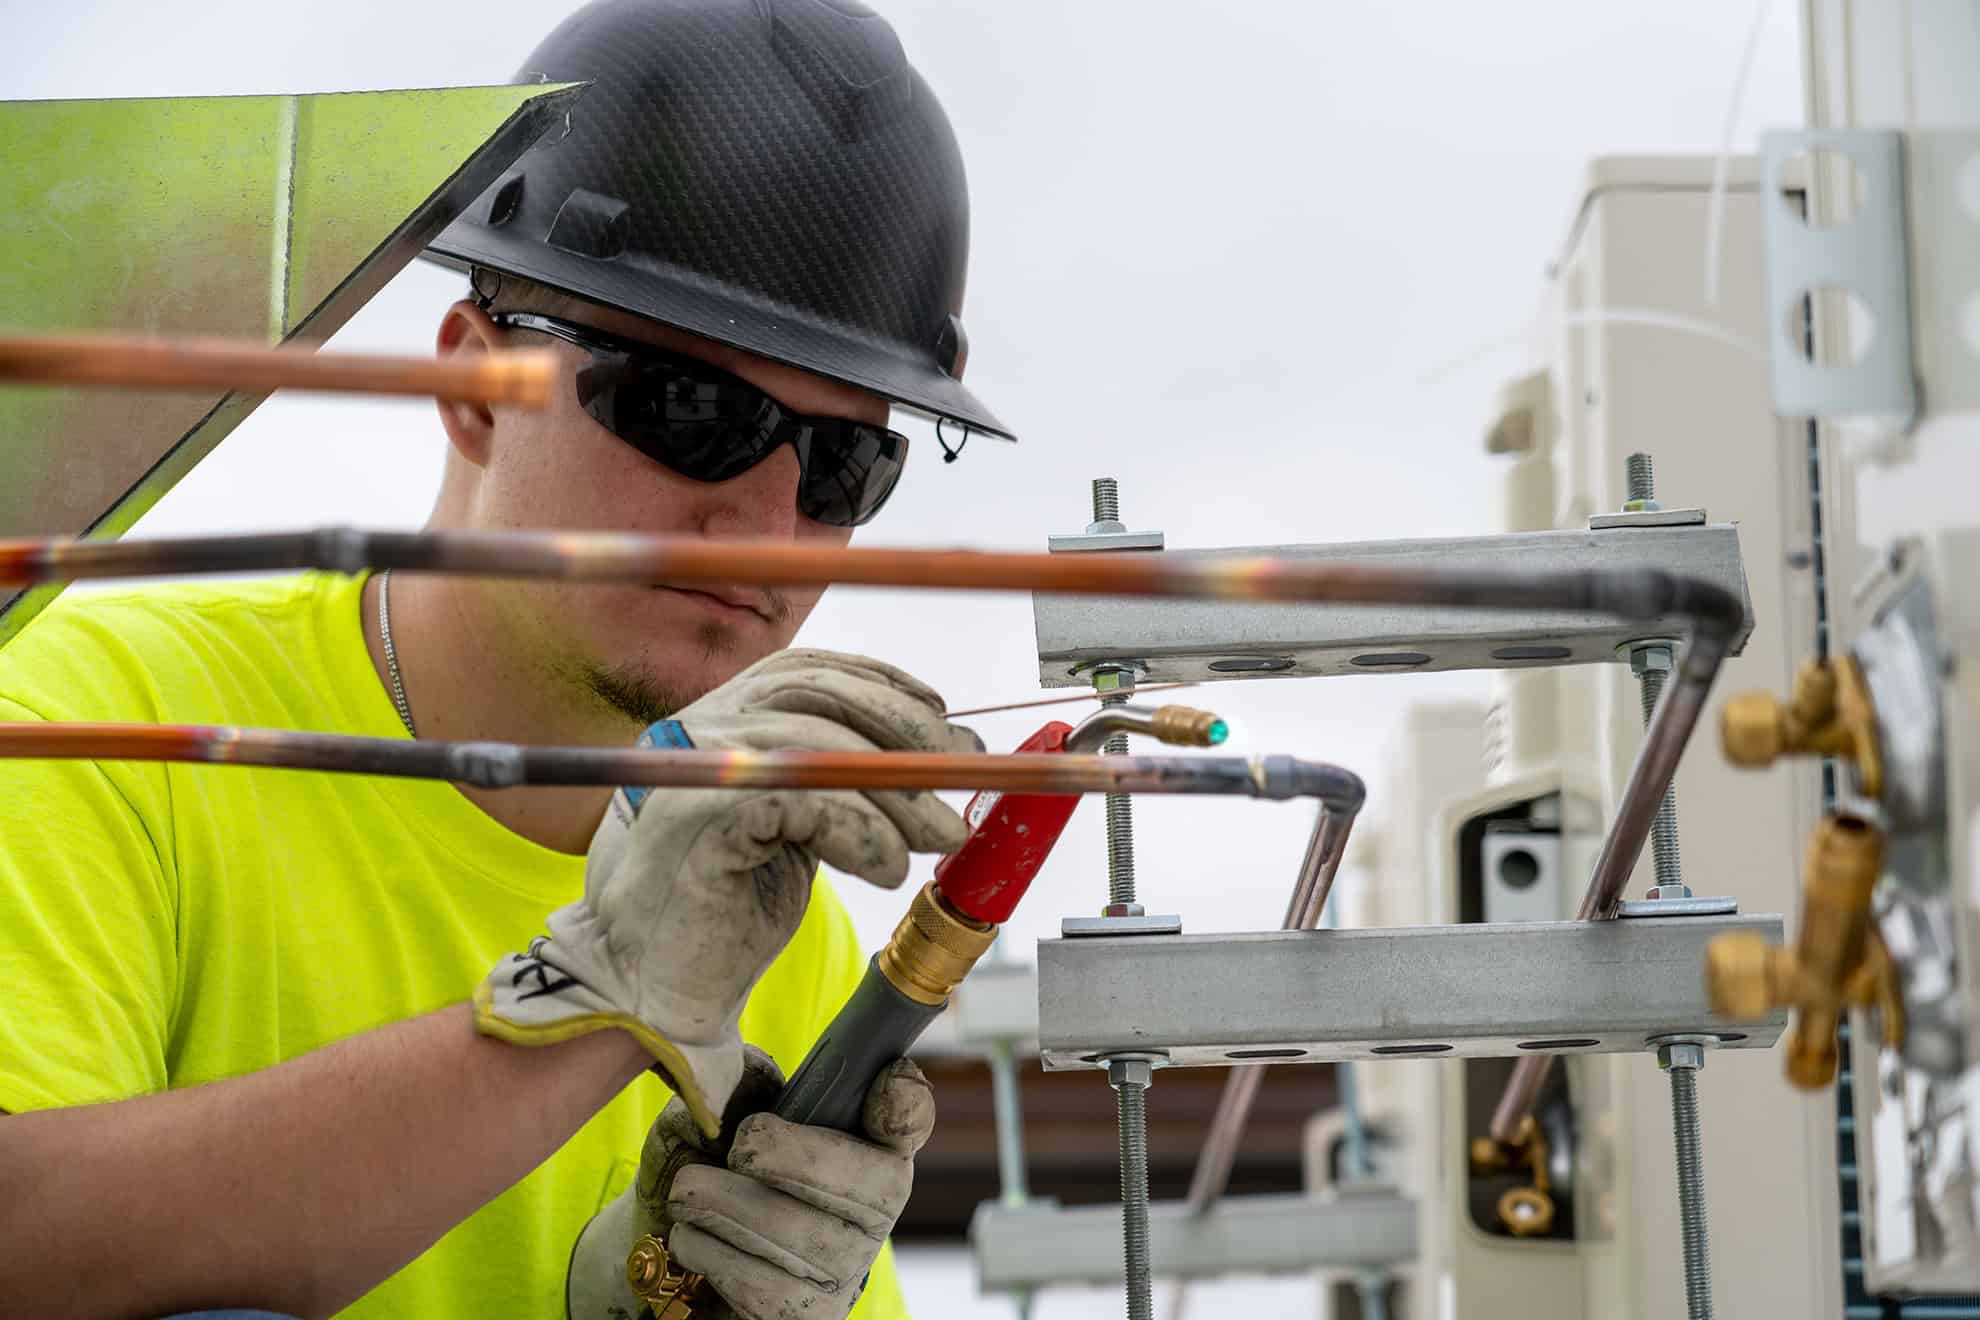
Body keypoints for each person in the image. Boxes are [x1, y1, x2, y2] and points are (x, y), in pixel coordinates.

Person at [0, 0, 1011, 1315]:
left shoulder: (778, 925)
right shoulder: (106, 720)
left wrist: (657, 1298)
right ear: (477, 387)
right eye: (691, 410)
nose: (765, 529)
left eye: (844, 462)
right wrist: (599, 1006)